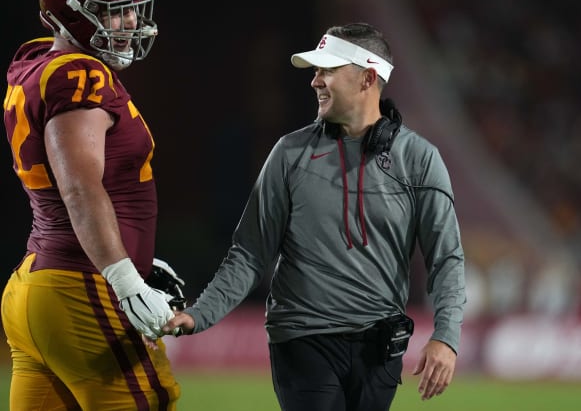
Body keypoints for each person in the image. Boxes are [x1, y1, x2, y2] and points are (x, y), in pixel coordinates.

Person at [161, 22, 467, 410]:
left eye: (327, 70)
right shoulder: (289, 154)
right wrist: (198, 315)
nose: (315, 81)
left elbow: (446, 258)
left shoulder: (420, 160)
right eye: (315, 71)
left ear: (367, 77)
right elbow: (250, 253)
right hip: (302, 338)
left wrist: (446, 336)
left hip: (380, 345)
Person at [1, 0, 184, 409]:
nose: (129, 25)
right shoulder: (80, 74)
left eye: (131, 12)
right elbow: (80, 189)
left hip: (40, 286)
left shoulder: (38, 65)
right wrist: (125, 278)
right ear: (69, 14)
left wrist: (133, 255)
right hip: (79, 288)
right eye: (114, 13)